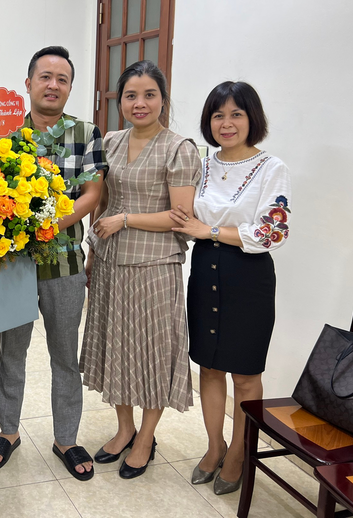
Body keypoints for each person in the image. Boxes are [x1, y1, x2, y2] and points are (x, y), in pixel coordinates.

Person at [0, 46, 106, 481]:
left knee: (65, 355)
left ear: (70, 87)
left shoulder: (86, 133)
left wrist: (45, 228)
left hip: (65, 261)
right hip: (14, 263)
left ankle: (66, 438)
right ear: (29, 83)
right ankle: (8, 431)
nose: (53, 85)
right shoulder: (5, 136)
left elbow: (92, 194)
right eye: (45, 77)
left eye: (62, 79)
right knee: (12, 351)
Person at [80, 60, 201, 480]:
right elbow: (100, 200)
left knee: (151, 353)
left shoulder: (179, 148)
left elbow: (181, 216)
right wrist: (92, 250)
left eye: (149, 94)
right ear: (120, 101)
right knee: (115, 347)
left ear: (163, 99)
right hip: (110, 260)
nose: (140, 103)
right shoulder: (111, 142)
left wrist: (126, 219)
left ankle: (146, 437)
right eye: (131, 95)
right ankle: (124, 428)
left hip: (154, 266)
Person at [170, 81, 291, 495]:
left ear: (251, 118)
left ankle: (238, 452)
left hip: (248, 277)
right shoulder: (202, 166)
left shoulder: (271, 167)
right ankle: (214, 446)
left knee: (245, 374)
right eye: (218, 115)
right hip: (205, 271)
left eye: (236, 114)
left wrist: (210, 230)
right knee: (209, 366)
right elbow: (184, 218)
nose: (226, 123)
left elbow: (272, 232)